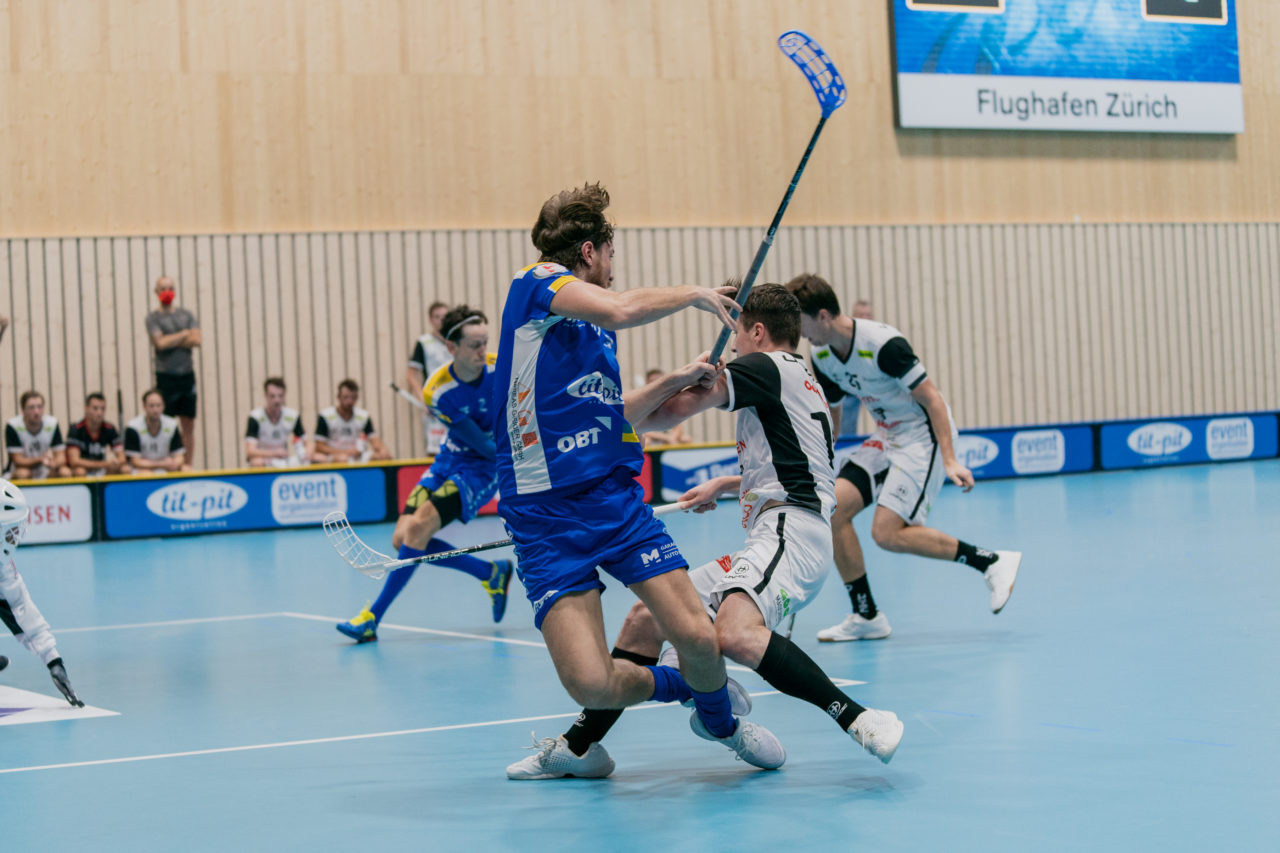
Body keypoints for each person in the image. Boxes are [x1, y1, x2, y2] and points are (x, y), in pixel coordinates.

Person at [508, 285, 903, 780]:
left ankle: (859, 718)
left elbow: (668, 412)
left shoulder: (764, 367)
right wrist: (734, 483)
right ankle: (580, 746)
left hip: (791, 536)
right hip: (777, 528)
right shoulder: (795, 378)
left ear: (757, 331)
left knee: (734, 634)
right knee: (646, 619)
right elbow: (802, 465)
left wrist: (615, 418)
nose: (732, 345)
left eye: (736, 333)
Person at [494, 182, 783, 775]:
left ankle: (720, 722)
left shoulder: (592, 335)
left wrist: (677, 381)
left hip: (612, 502)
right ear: (592, 251)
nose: (611, 270)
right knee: (591, 684)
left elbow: (612, 416)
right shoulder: (536, 285)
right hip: (544, 521)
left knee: (701, 639)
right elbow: (623, 307)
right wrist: (698, 294)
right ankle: (691, 690)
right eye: (611, 256)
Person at [784, 274, 1021, 642]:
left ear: (825, 315)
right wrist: (817, 458)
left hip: (920, 438)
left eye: (803, 324)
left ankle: (990, 561)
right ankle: (866, 615)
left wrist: (951, 459)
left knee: (886, 533)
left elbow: (933, 399)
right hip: (886, 437)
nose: (801, 334)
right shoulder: (823, 355)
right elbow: (833, 416)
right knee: (834, 510)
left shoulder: (883, 344)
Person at [337, 306, 515, 641]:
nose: (483, 350)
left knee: (417, 531)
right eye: (475, 344)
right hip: (451, 460)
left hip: (482, 470)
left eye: (485, 341)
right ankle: (490, 572)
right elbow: (479, 441)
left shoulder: (501, 366)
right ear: (452, 348)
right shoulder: (438, 391)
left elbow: (492, 451)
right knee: (402, 539)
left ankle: (372, 618)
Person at [0, 478, 84, 706]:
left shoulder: (2, 567)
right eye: (11, 530)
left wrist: (54, 661)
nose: (16, 536)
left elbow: (22, 610)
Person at [145, 276, 201, 468]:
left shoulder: (186, 315)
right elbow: (159, 343)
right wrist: (184, 334)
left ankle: (187, 464)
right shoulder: (153, 318)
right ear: (156, 292)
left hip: (186, 376)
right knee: (166, 424)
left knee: (188, 426)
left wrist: (170, 339)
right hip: (166, 377)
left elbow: (197, 340)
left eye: (170, 288)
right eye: (163, 288)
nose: (167, 291)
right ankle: (169, 463)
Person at [407, 301, 451, 454]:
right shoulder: (424, 342)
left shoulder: (456, 339)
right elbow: (411, 374)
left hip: (456, 399)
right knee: (436, 450)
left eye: (444, 316)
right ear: (431, 320)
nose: (441, 320)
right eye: (437, 317)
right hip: (434, 402)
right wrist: (423, 399)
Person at [314, 380, 391, 464]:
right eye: (345, 397)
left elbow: (374, 439)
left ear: (357, 398)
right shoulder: (326, 416)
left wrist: (382, 449)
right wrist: (348, 452)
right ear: (338, 397)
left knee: (383, 456)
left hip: (358, 455)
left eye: (353, 397)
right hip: (334, 455)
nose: (349, 401)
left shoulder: (363, 416)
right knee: (342, 459)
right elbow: (319, 446)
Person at [245, 377, 314, 468]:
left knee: (316, 458)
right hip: (264, 458)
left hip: (283, 460)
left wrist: (308, 453)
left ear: (284, 396)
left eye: (280, 396)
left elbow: (307, 442)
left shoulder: (292, 416)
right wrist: (275, 453)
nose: (277, 400)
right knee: (257, 462)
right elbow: (250, 451)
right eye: (272, 396)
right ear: (266, 396)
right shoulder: (255, 417)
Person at [4, 391, 71, 480]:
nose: (36, 411)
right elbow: (18, 460)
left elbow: (61, 457)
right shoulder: (13, 426)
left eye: (39, 407)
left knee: (65, 472)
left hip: (44, 468)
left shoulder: (52, 424)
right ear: (23, 410)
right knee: (23, 473)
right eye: (31, 407)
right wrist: (40, 460)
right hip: (20, 469)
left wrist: (54, 463)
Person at [124, 389, 190, 474]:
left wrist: (174, 464)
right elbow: (135, 461)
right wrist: (162, 464)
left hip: (166, 467)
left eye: (158, 405)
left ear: (163, 406)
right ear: (144, 406)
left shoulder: (171, 425)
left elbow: (180, 456)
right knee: (145, 474)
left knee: (186, 469)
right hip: (142, 469)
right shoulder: (133, 427)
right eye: (151, 406)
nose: (155, 410)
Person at [836, 299, 874, 440]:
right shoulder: (845, 337)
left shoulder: (875, 338)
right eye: (861, 315)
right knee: (846, 428)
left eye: (868, 315)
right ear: (853, 316)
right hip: (849, 389)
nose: (865, 318)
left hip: (870, 385)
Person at [66, 392, 126, 477]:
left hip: (102, 469)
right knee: (80, 471)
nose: (99, 413)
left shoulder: (109, 428)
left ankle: (110, 490)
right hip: (84, 469)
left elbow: (122, 457)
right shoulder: (76, 429)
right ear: (86, 409)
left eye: (103, 409)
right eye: (95, 408)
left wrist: (116, 462)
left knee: (124, 469)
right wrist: (104, 464)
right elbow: (74, 461)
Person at [639, 368, 692, 448]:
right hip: (652, 436)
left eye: (659, 381)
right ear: (647, 384)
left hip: (665, 436)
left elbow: (678, 427)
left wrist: (672, 438)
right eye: (653, 381)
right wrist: (666, 438)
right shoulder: (643, 402)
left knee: (686, 439)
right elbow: (640, 428)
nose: (656, 384)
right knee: (646, 440)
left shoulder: (669, 400)